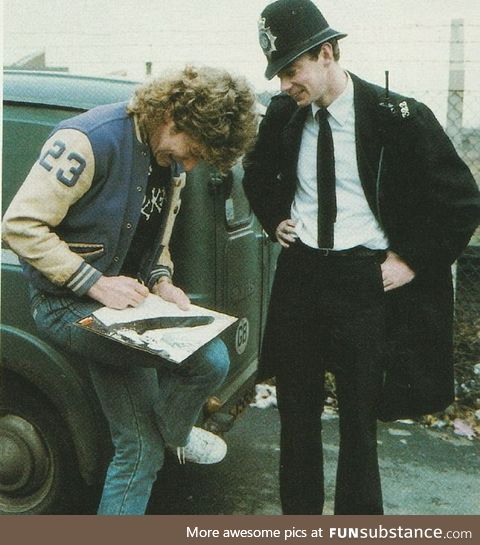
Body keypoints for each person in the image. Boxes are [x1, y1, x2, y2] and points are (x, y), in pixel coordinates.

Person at [243, 0, 480, 515]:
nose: (285, 85)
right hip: (302, 276)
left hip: (363, 281)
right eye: (279, 74)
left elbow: (461, 200)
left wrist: (411, 260)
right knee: (296, 419)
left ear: (326, 53)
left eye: (292, 70)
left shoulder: (397, 116)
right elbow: (256, 172)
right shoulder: (285, 114)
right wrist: (272, 217)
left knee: (358, 425)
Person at [2, 65, 257, 515]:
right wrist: (95, 283)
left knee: (148, 438)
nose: (191, 164)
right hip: (65, 304)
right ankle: (171, 434)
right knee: (195, 379)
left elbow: (156, 245)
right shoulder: (89, 140)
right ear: (174, 117)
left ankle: (167, 436)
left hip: (124, 306)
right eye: (193, 150)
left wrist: (163, 281)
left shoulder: (171, 167)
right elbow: (20, 226)